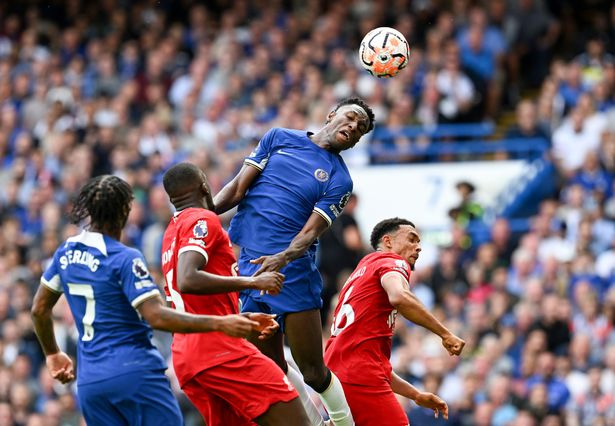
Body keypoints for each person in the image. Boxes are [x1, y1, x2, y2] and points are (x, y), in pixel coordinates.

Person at [30, 175, 263, 426]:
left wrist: (52, 353)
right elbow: (156, 316)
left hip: (90, 383)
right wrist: (220, 323)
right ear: (125, 210)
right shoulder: (124, 258)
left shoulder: (66, 252)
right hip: (134, 373)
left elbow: (39, 309)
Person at [214, 97, 375, 426]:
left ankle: (345, 424)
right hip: (249, 267)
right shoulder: (278, 138)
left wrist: (281, 258)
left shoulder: (339, 179)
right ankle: (316, 424)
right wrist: (198, 213)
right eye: (349, 118)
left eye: (359, 130)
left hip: (291, 274)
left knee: (313, 371)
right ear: (331, 114)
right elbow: (236, 189)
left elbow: (309, 234)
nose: (352, 128)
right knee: (268, 367)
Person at [161, 162, 310, 426]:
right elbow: (188, 279)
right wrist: (252, 283)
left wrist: (243, 317)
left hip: (188, 355)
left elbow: (191, 297)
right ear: (205, 186)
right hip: (218, 349)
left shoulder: (172, 230)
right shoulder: (202, 219)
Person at [324, 218, 466, 426]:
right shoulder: (392, 262)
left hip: (339, 372)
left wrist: (415, 395)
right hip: (358, 374)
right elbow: (399, 296)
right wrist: (445, 333)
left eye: (420, 242)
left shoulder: (363, 269)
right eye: (411, 239)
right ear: (388, 242)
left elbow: (374, 362)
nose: (418, 247)